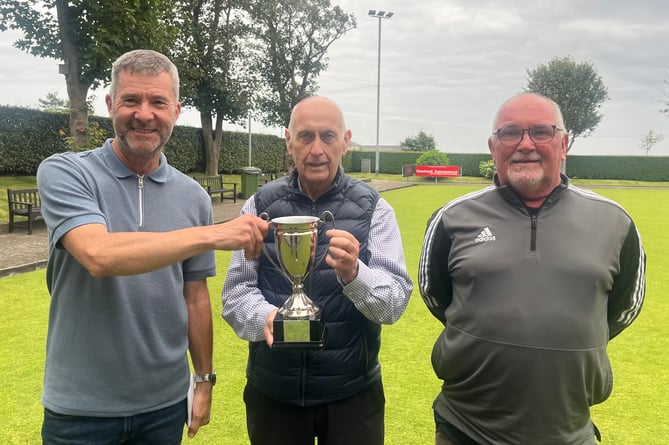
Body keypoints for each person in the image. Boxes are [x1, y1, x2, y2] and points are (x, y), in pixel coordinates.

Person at [36, 49, 268, 444]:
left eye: (158, 102)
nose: (144, 114)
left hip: (164, 407)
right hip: (80, 410)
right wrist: (213, 233)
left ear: (175, 110)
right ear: (110, 105)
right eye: (131, 100)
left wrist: (205, 381)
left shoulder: (192, 196)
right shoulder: (66, 172)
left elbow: (194, 297)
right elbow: (99, 255)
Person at [419, 92, 646, 444]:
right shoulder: (452, 218)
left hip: (569, 431)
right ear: (493, 146)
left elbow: (621, 310)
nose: (525, 144)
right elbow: (436, 296)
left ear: (564, 143)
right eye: (510, 133)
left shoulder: (614, 222)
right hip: (465, 428)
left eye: (542, 131)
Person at [221, 96, 413, 445]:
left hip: (352, 396)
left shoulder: (374, 209)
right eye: (306, 136)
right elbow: (236, 292)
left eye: (328, 136)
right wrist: (266, 317)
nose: (317, 149)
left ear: (346, 140)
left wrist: (356, 274)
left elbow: (394, 304)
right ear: (288, 141)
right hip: (274, 394)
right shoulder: (259, 206)